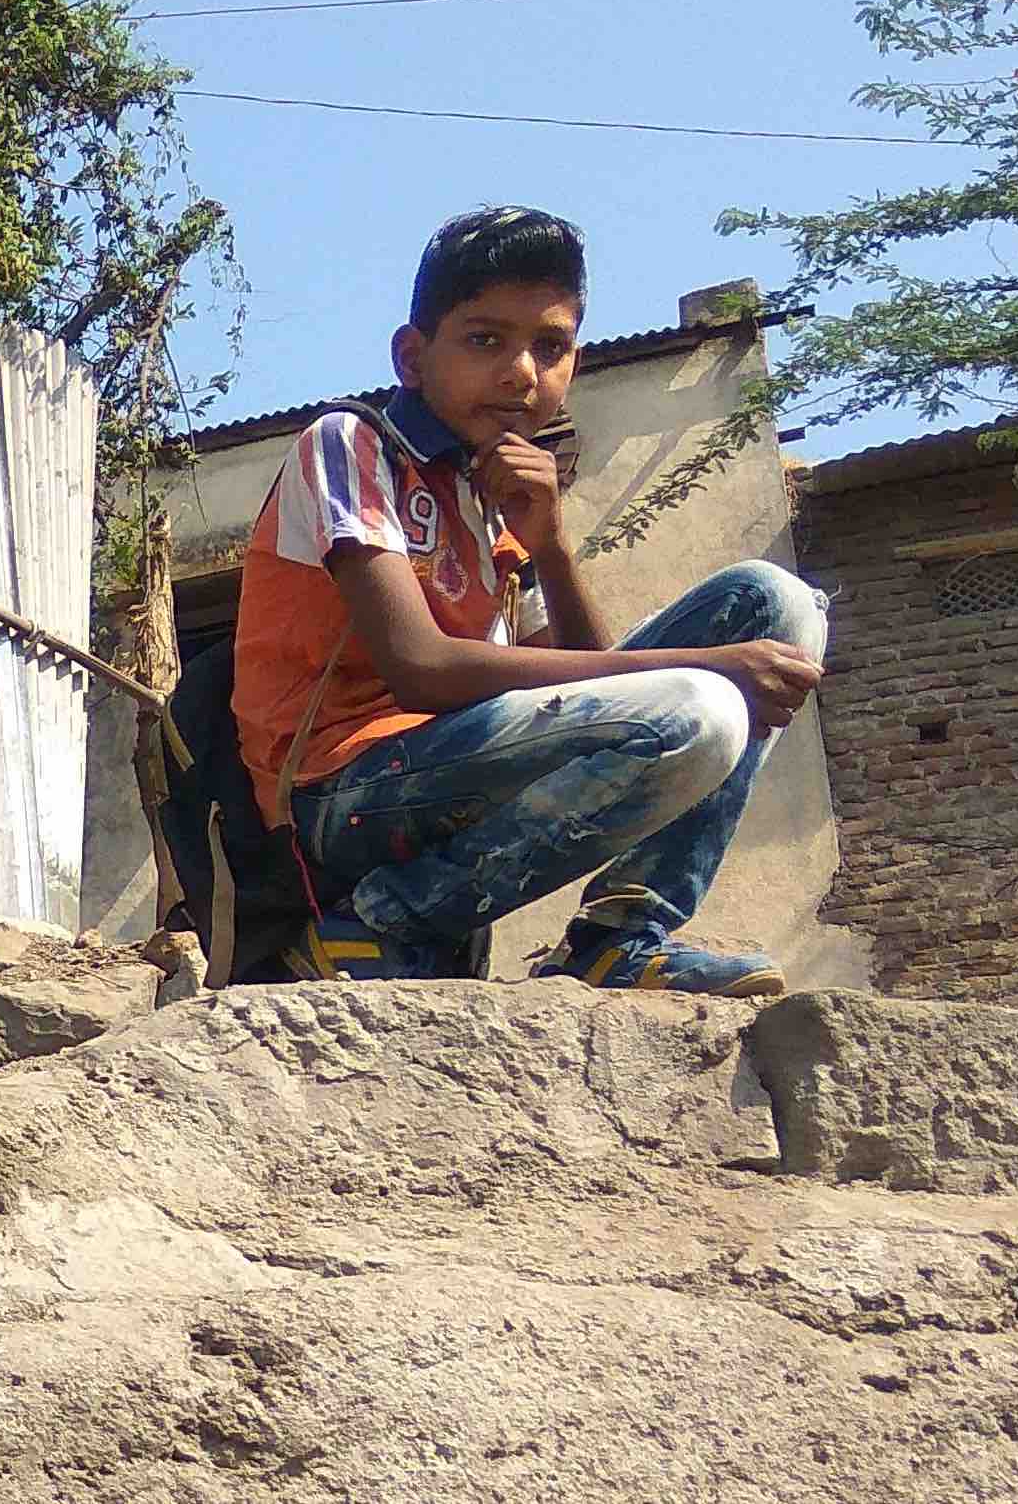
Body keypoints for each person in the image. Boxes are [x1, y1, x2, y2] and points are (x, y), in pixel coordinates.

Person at [229, 206, 827, 995]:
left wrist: (549, 542)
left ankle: (619, 933)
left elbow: (595, 677)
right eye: (484, 340)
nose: (520, 373)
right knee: (698, 708)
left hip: (453, 768)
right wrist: (712, 664)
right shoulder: (350, 445)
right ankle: (377, 923)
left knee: (777, 602)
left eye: (549, 347)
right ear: (412, 357)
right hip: (339, 798)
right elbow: (421, 670)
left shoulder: (499, 499)